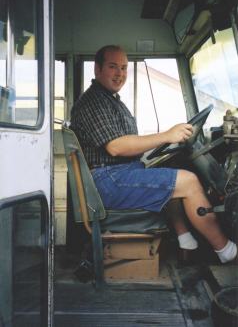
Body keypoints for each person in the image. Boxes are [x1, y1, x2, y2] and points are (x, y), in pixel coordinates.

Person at [71, 44, 237, 264]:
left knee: (170, 173)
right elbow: (116, 147)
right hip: (107, 182)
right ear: (97, 69)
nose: (120, 74)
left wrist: (168, 138)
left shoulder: (110, 100)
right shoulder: (94, 101)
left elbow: (126, 142)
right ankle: (226, 250)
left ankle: (186, 240)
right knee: (188, 182)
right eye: (113, 67)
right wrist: (166, 135)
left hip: (116, 175)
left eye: (123, 68)